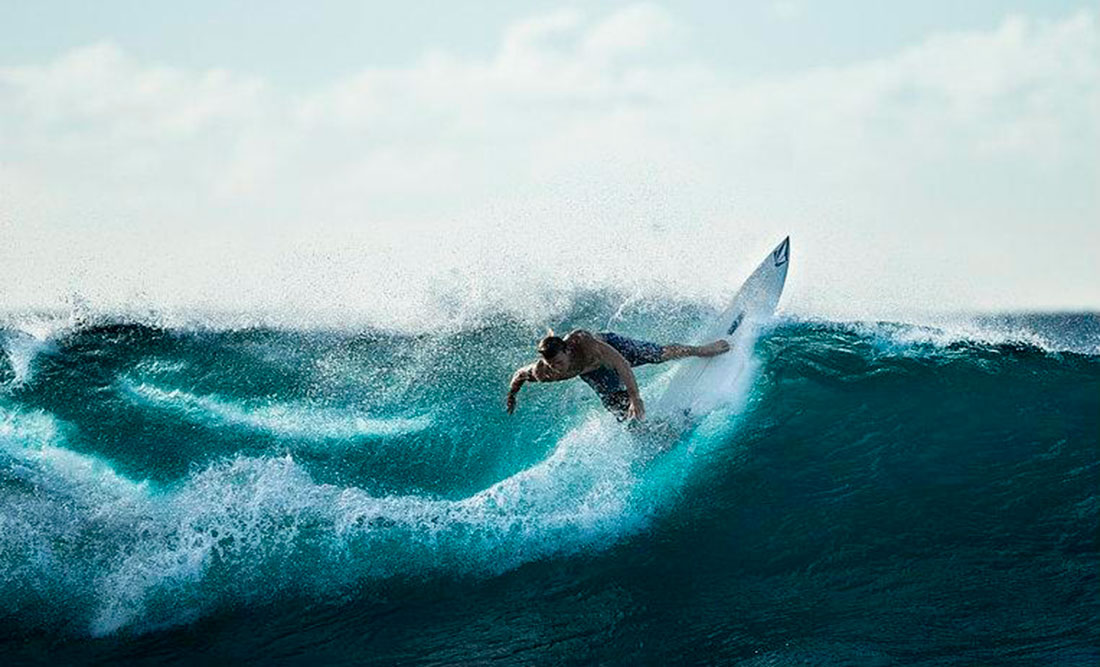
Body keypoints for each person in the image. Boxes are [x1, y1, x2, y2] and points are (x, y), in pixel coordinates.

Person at [506, 329, 730, 421]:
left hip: (614, 350)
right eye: (552, 365)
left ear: (567, 349)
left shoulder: (583, 342)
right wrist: (512, 395)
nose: (557, 368)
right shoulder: (545, 372)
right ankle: (649, 433)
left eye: (559, 362)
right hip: (594, 375)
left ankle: (702, 349)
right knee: (621, 412)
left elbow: (622, 365)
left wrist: (636, 397)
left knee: (657, 354)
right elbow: (520, 375)